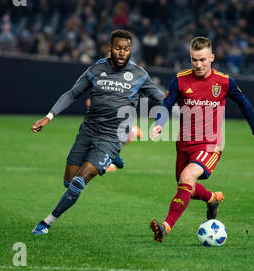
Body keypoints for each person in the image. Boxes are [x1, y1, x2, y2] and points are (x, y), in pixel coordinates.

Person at [31, 29, 164, 235]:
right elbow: (72, 93)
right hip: (88, 131)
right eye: (118, 48)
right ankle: (114, 158)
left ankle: (46, 222)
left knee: (77, 184)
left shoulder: (139, 75)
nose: (122, 53)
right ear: (109, 48)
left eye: (126, 49)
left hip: (112, 137)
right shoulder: (95, 70)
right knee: (68, 181)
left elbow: (161, 99)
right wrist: (49, 117)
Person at [149, 36, 254, 243]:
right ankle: (212, 198)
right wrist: (160, 123)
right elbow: (167, 104)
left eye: (203, 60)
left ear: (212, 58)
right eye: (194, 60)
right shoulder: (180, 79)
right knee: (185, 185)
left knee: (187, 178)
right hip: (184, 143)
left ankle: (165, 227)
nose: (198, 65)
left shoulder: (224, 81)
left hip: (210, 144)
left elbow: (244, 104)